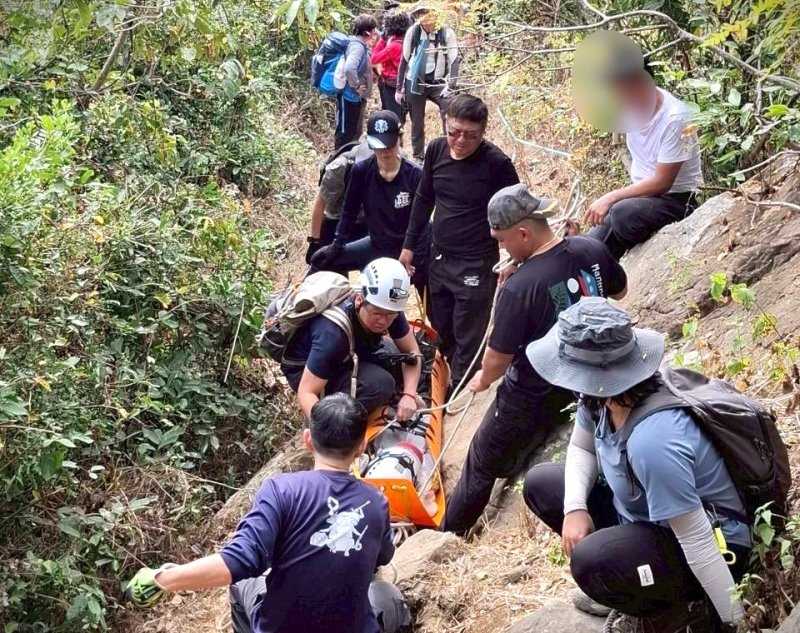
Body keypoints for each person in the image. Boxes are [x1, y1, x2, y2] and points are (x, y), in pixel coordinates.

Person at [523, 298, 749, 633]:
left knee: (590, 561)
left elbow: (698, 540)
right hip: (648, 517)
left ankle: (665, 608)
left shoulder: (654, 441)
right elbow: (582, 448)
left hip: (711, 547)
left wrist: (734, 621)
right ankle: (631, 580)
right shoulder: (601, 399)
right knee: (542, 484)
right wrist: (574, 508)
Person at [123, 393, 411, 633]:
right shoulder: (375, 500)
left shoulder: (281, 490)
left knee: (244, 586)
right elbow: (383, 556)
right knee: (387, 596)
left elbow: (236, 563)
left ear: (307, 440)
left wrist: (162, 578)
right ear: (362, 445)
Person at [441, 184, 627, 535]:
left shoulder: (519, 287)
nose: (502, 248)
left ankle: (449, 535)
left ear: (523, 232)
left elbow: (497, 360)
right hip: (586, 381)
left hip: (534, 394)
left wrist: (481, 379)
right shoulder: (590, 246)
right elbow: (619, 290)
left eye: (503, 239)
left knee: (481, 460)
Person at [400, 93, 519, 394]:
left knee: (470, 331)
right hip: (439, 255)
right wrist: (409, 246)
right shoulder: (437, 150)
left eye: (470, 135)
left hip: (476, 261)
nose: (460, 140)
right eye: (454, 132)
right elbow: (424, 198)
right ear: (444, 124)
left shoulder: (497, 164)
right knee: (443, 325)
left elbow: (518, 213)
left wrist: (516, 258)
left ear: (483, 132)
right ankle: (450, 373)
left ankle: (461, 392)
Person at [584, 42, 703, 260]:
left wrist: (611, 197)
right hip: (642, 196)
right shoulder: (627, 107)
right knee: (587, 247)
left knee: (621, 214)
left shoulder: (675, 119)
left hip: (676, 200)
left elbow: (662, 183)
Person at [282, 258, 422, 421]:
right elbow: (306, 392)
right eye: (377, 313)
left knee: (395, 358)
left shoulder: (386, 305)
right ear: (359, 300)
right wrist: (324, 430)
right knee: (381, 385)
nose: (383, 321)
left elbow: (412, 353)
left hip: (347, 353)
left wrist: (409, 395)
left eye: (390, 315)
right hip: (307, 370)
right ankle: (345, 420)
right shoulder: (332, 334)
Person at [310, 111, 428, 294]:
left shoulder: (414, 174)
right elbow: (349, 211)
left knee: (394, 291)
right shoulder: (361, 170)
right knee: (321, 259)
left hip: (406, 249)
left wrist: (413, 253)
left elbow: (421, 221)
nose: (385, 151)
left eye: (389, 144)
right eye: (379, 146)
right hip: (376, 244)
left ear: (399, 138)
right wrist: (337, 244)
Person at [395, 3, 460, 161]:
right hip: (415, 79)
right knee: (417, 121)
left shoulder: (446, 33)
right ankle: (418, 156)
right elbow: (404, 59)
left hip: (438, 80)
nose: (425, 19)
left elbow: (454, 60)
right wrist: (399, 88)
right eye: (421, 15)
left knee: (449, 110)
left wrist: (450, 85)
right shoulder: (414, 32)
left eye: (429, 14)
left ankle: (449, 151)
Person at [306, 142, 372, 265]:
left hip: (366, 221)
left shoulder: (390, 163)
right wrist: (314, 242)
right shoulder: (339, 167)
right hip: (335, 220)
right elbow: (320, 203)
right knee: (326, 267)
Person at [335, 14, 379, 150]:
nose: (375, 32)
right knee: (346, 132)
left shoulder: (360, 45)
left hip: (355, 98)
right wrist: (357, 86)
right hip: (349, 97)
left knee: (354, 131)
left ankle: (347, 162)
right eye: (373, 30)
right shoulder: (358, 47)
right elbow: (349, 68)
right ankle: (338, 161)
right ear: (367, 32)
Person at [372, 13, 413, 121]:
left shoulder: (394, 46)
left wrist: (382, 40)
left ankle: (395, 136)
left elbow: (374, 58)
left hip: (392, 85)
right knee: (399, 115)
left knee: (393, 118)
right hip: (403, 83)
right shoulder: (407, 41)